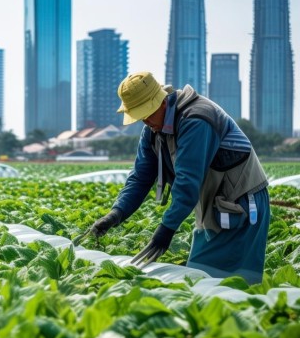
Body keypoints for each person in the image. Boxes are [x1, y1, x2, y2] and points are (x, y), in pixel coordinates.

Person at [90, 71, 270, 284]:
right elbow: (140, 177)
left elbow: (187, 182)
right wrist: (116, 214)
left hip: (242, 205)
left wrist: (166, 229)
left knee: (226, 284)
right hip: (214, 207)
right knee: (206, 281)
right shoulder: (154, 130)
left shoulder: (196, 119)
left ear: (161, 101)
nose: (145, 121)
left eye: (146, 113)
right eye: (140, 116)